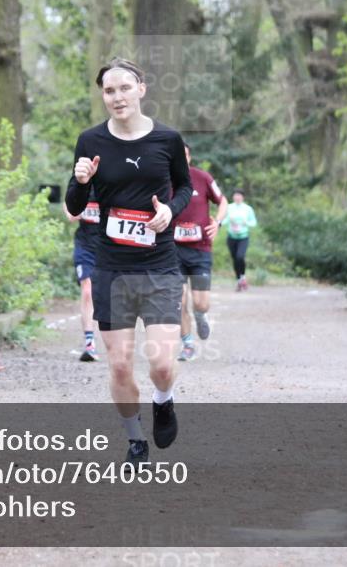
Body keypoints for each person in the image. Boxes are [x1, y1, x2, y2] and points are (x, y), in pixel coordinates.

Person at [65, 57, 192, 466]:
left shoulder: (167, 139)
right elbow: (74, 203)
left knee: (161, 364)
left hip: (158, 264)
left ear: (141, 88)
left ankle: (164, 400)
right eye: (108, 90)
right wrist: (81, 181)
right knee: (119, 364)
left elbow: (185, 187)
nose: (117, 97)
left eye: (124, 88)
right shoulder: (91, 141)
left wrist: (170, 211)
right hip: (112, 267)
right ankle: (135, 439)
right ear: (102, 96)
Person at [173, 143, 227, 361]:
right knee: (177, 299)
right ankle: (187, 344)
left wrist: (219, 223)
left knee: (201, 302)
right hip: (173, 250)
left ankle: (200, 314)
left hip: (200, 250)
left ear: (189, 157)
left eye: (184, 155)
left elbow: (223, 201)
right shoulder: (163, 180)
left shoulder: (202, 178)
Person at [62, 188, 100, 361]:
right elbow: (67, 202)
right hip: (85, 247)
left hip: (108, 248)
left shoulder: (112, 181)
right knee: (87, 291)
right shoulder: (84, 184)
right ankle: (90, 343)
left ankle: (117, 342)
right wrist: (70, 211)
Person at [222, 189, 257, 291]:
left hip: (243, 237)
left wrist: (246, 223)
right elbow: (224, 220)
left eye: (239, 195)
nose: (237, 197)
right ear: (233, 197)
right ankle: (239, 280)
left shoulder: (248, 209)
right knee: (235, 259)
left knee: (240, 257)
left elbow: (253, 223)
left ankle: (243, 277)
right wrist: (223, 222)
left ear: (243, 197)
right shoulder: (229, 207)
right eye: (235, 195)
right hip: (231, 237)